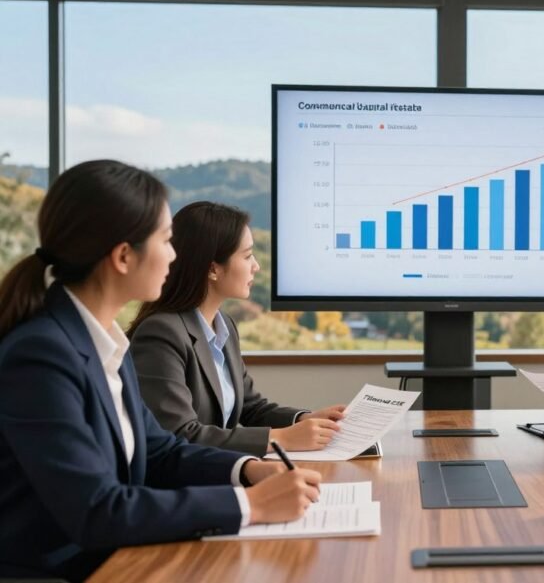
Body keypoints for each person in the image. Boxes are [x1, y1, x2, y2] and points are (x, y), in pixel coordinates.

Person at [0, 161, 321, 581]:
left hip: (119, 558)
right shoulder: (40, 356)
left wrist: (247, 469)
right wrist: (252, 505)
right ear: (123, 256)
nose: (174, 254)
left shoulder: (106, 342)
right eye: (167, 240)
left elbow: (161, 451)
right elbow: (97, 510)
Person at [128, 202, 347, 457]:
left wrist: (304, 419)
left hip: (217, 473)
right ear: (212, 268)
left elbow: (251, 407)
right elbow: (180, 433)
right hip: (181, 486)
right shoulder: (161, 333)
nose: (256, 266)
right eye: (247, 256)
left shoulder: (224, 326)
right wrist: (281, 438)